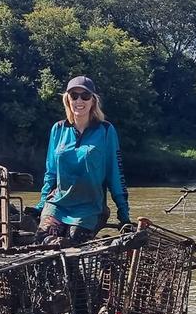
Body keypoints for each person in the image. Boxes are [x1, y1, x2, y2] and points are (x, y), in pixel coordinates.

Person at [34, 75, 131, 245]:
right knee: (43, 240)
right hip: (58, 204)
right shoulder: (58, 129)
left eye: (85, 96)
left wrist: (124, 215)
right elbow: (50, 173)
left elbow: (115, 173)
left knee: (73, 242)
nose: (79, 100)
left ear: (93, 101)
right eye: (74, 95)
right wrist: (41, 204)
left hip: (90, 207)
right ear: (68, 100)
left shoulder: (106, 130)